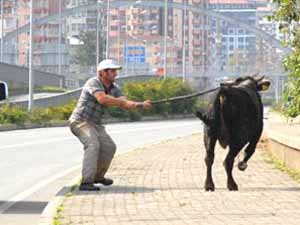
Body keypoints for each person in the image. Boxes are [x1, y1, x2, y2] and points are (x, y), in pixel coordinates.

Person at [69, 59, 152, 191]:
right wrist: (120, 102)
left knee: (109, 147)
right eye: (112, 71)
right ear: (102, 73)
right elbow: (102, 99)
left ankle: (98, 176)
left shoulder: (115, 88)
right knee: (92, 144)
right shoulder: (93, 82)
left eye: (116, 71)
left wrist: (140, 104)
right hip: (80, 121)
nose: (115, 74)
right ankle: (86, 182)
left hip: (95, 124)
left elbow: (124, 102)